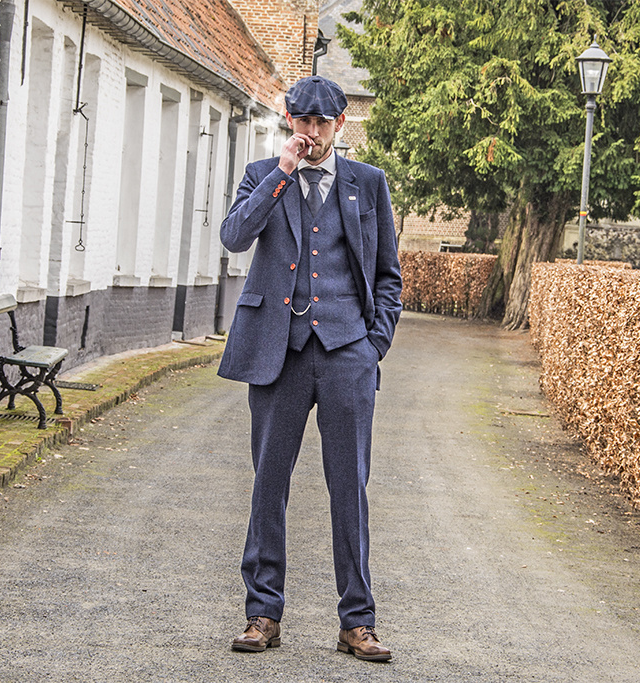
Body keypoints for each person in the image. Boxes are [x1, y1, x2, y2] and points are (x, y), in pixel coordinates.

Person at [218, 75, 402, 662]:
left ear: (340, 125)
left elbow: (389, 275)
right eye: (302, 120)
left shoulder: (367, 184)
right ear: (289, 120)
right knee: (268, 486)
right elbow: (233, 236)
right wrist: (281, 173)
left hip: (349, 350)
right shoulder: (261, 175)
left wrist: (374, 344)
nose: (312, 132)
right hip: (280, 351)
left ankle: (357, 622)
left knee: (349, 486)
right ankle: (261, 614)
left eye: (322, 122)